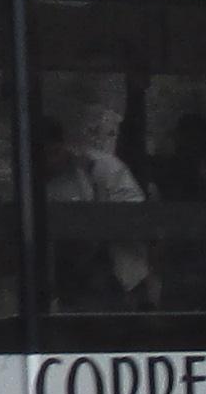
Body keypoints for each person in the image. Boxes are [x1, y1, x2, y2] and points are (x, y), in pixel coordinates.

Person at [42, 93, 153, 306]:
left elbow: (136, 216)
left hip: (118, 276)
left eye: (53, 153)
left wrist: (93, 223)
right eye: (41, 157)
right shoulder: (37, 184)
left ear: (62, 146)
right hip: (70, 282)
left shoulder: (103, 168)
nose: (49, 162)